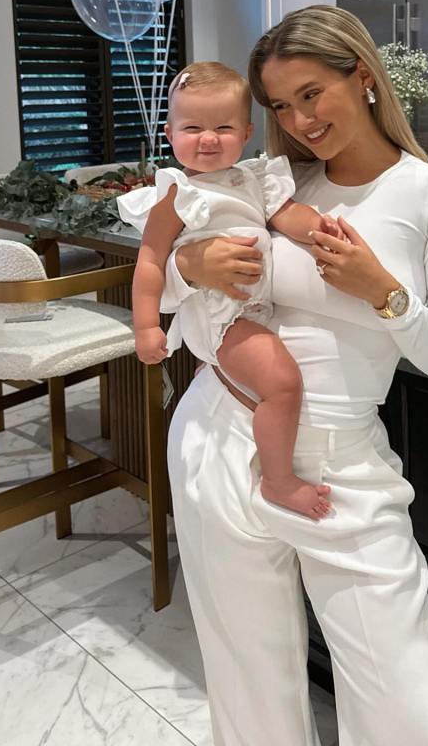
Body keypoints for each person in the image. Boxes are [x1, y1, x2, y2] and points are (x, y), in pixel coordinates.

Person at [160, 6, 428, 746]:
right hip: (219, 437)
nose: (300, 120)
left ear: (362, 77)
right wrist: (189, 263)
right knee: (251, 691)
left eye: (312, 93)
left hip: (341, 468)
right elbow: (174, 284)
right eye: (279, 105)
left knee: (412, 720)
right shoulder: (273, 184)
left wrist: (386, 295)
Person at [118, 60, 340, 519]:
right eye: (192, 126)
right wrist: (145, 326)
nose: (208, 138)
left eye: (223, 126)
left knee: (267, 382)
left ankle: (225, 396)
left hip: (252, 309)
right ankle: (278, 481)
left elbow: (288, 214)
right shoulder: (174, 194)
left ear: (246, 132)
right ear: (170, 133)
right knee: (282, 383)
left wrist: (323, 230)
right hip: (223, 313)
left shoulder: (252, 179)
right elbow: (150, 260)